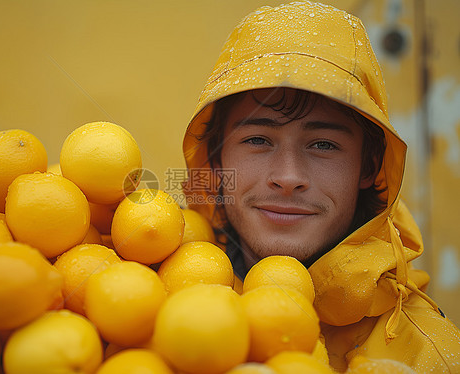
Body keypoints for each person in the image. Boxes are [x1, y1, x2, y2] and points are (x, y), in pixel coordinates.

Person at [181, 2, 460, 372]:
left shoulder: (427, 356)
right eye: (259, 140)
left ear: (369, 166)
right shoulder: (153, 304)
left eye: (323, 145)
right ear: (216, 160)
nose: (288, 176)